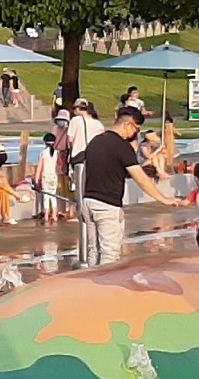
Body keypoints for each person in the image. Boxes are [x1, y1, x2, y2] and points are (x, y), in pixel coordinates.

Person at [74, 104, 179, 266]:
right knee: (110, 254)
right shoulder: (122, 147)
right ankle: (105, 289)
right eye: (136, 129)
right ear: (127, 124)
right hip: (108, 205)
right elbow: (141, 179)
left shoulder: (95, 142)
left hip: (88, 201)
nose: (135, 134)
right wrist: (164, 199)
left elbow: (86, 170)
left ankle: (91, 285)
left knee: (93, 251)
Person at [34, 133, 66, 222]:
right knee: (53, 196)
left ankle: (47, 215)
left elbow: (40, 168)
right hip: (53, 176)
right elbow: (60, 163)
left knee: (46, 196)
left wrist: (37, 179)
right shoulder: (56, 153)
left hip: (45, 176)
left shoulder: (43, 153)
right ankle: (54, 215)